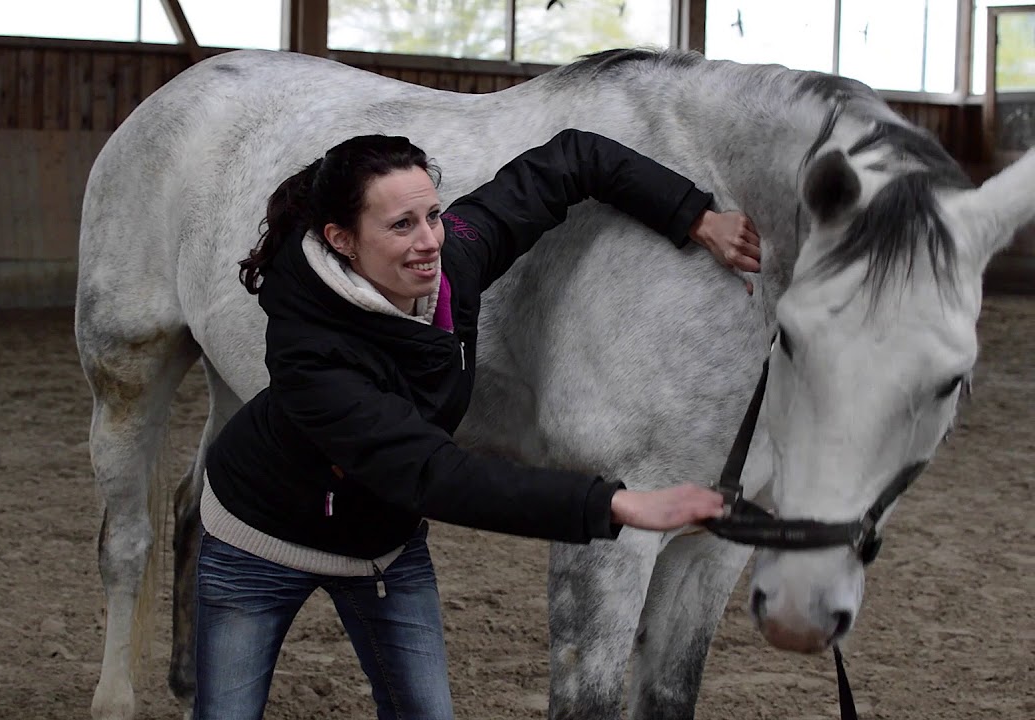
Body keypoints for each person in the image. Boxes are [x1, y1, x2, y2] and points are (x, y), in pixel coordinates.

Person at [195, 128, 762, 719]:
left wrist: (695, 215)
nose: (428, 243)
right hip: (260, 543)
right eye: (400, 225)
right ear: (341, 239)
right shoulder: (310, 354)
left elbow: (568, 160)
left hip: (383, 547)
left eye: (432, 215)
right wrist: (620, 506)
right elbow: (434, 473)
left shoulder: (450, 261)